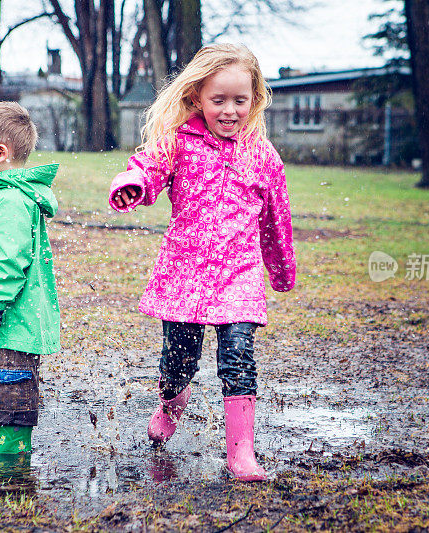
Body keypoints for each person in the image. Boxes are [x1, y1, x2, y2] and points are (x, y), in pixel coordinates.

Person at [109, 44, 295, 482]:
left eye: (240, 100)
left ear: (255, 100)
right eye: (218, 100)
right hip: (186, 273)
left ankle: (241, 454)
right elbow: (149, 166)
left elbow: (277, 220)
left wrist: (281, 270)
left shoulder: (263, 156)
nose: (229, 110)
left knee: (238, 356)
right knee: (179, 360)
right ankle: (171, 403)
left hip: (239, 274)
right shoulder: (178, 142)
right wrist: (133, 183)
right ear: (197, 98)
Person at [0, 101, 60, 456]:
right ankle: (5, 424)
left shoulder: (10, 201)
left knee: (11, 371)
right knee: (2, 366)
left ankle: (14, 439)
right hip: (14, 313)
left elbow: (10, 258)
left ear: (1, 152)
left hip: (13, 311)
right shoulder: (7, 195)